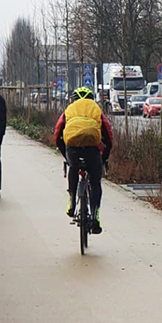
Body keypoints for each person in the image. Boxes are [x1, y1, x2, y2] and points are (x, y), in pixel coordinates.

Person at [53, 86, 113, 234]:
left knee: (73, 168)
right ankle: (95, 216)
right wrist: (104, 158)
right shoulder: (96, 109)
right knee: (95, 183)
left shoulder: (69, 110)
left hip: (73, 150)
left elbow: (57, 134)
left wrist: (65, 154)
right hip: (92, 151)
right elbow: (108, 136)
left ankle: (72, 201)